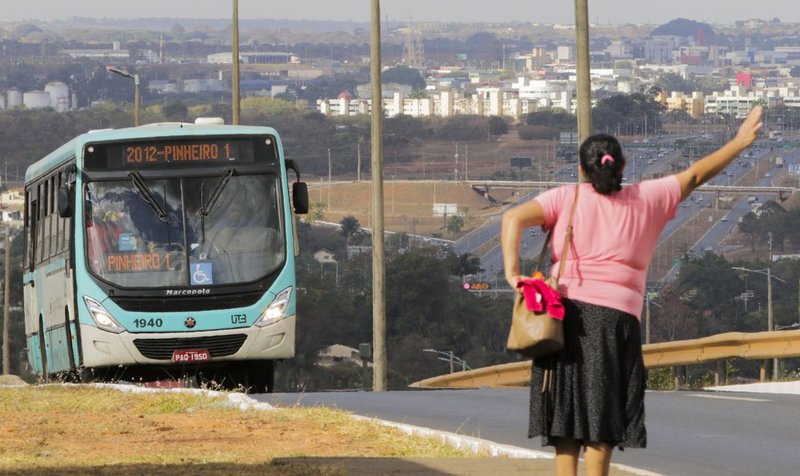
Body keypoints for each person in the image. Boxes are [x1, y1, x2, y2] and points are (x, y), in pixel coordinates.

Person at [500, 106, 763, 476]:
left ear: (581, 170)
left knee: (567, 407)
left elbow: (511, 217)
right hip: (616, 320)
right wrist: (739, 142)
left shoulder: (566, 197)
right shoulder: (648, 198)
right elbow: (697, 174)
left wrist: (514, 275)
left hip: (563, 315)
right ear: (622, 165)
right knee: (604, 408)